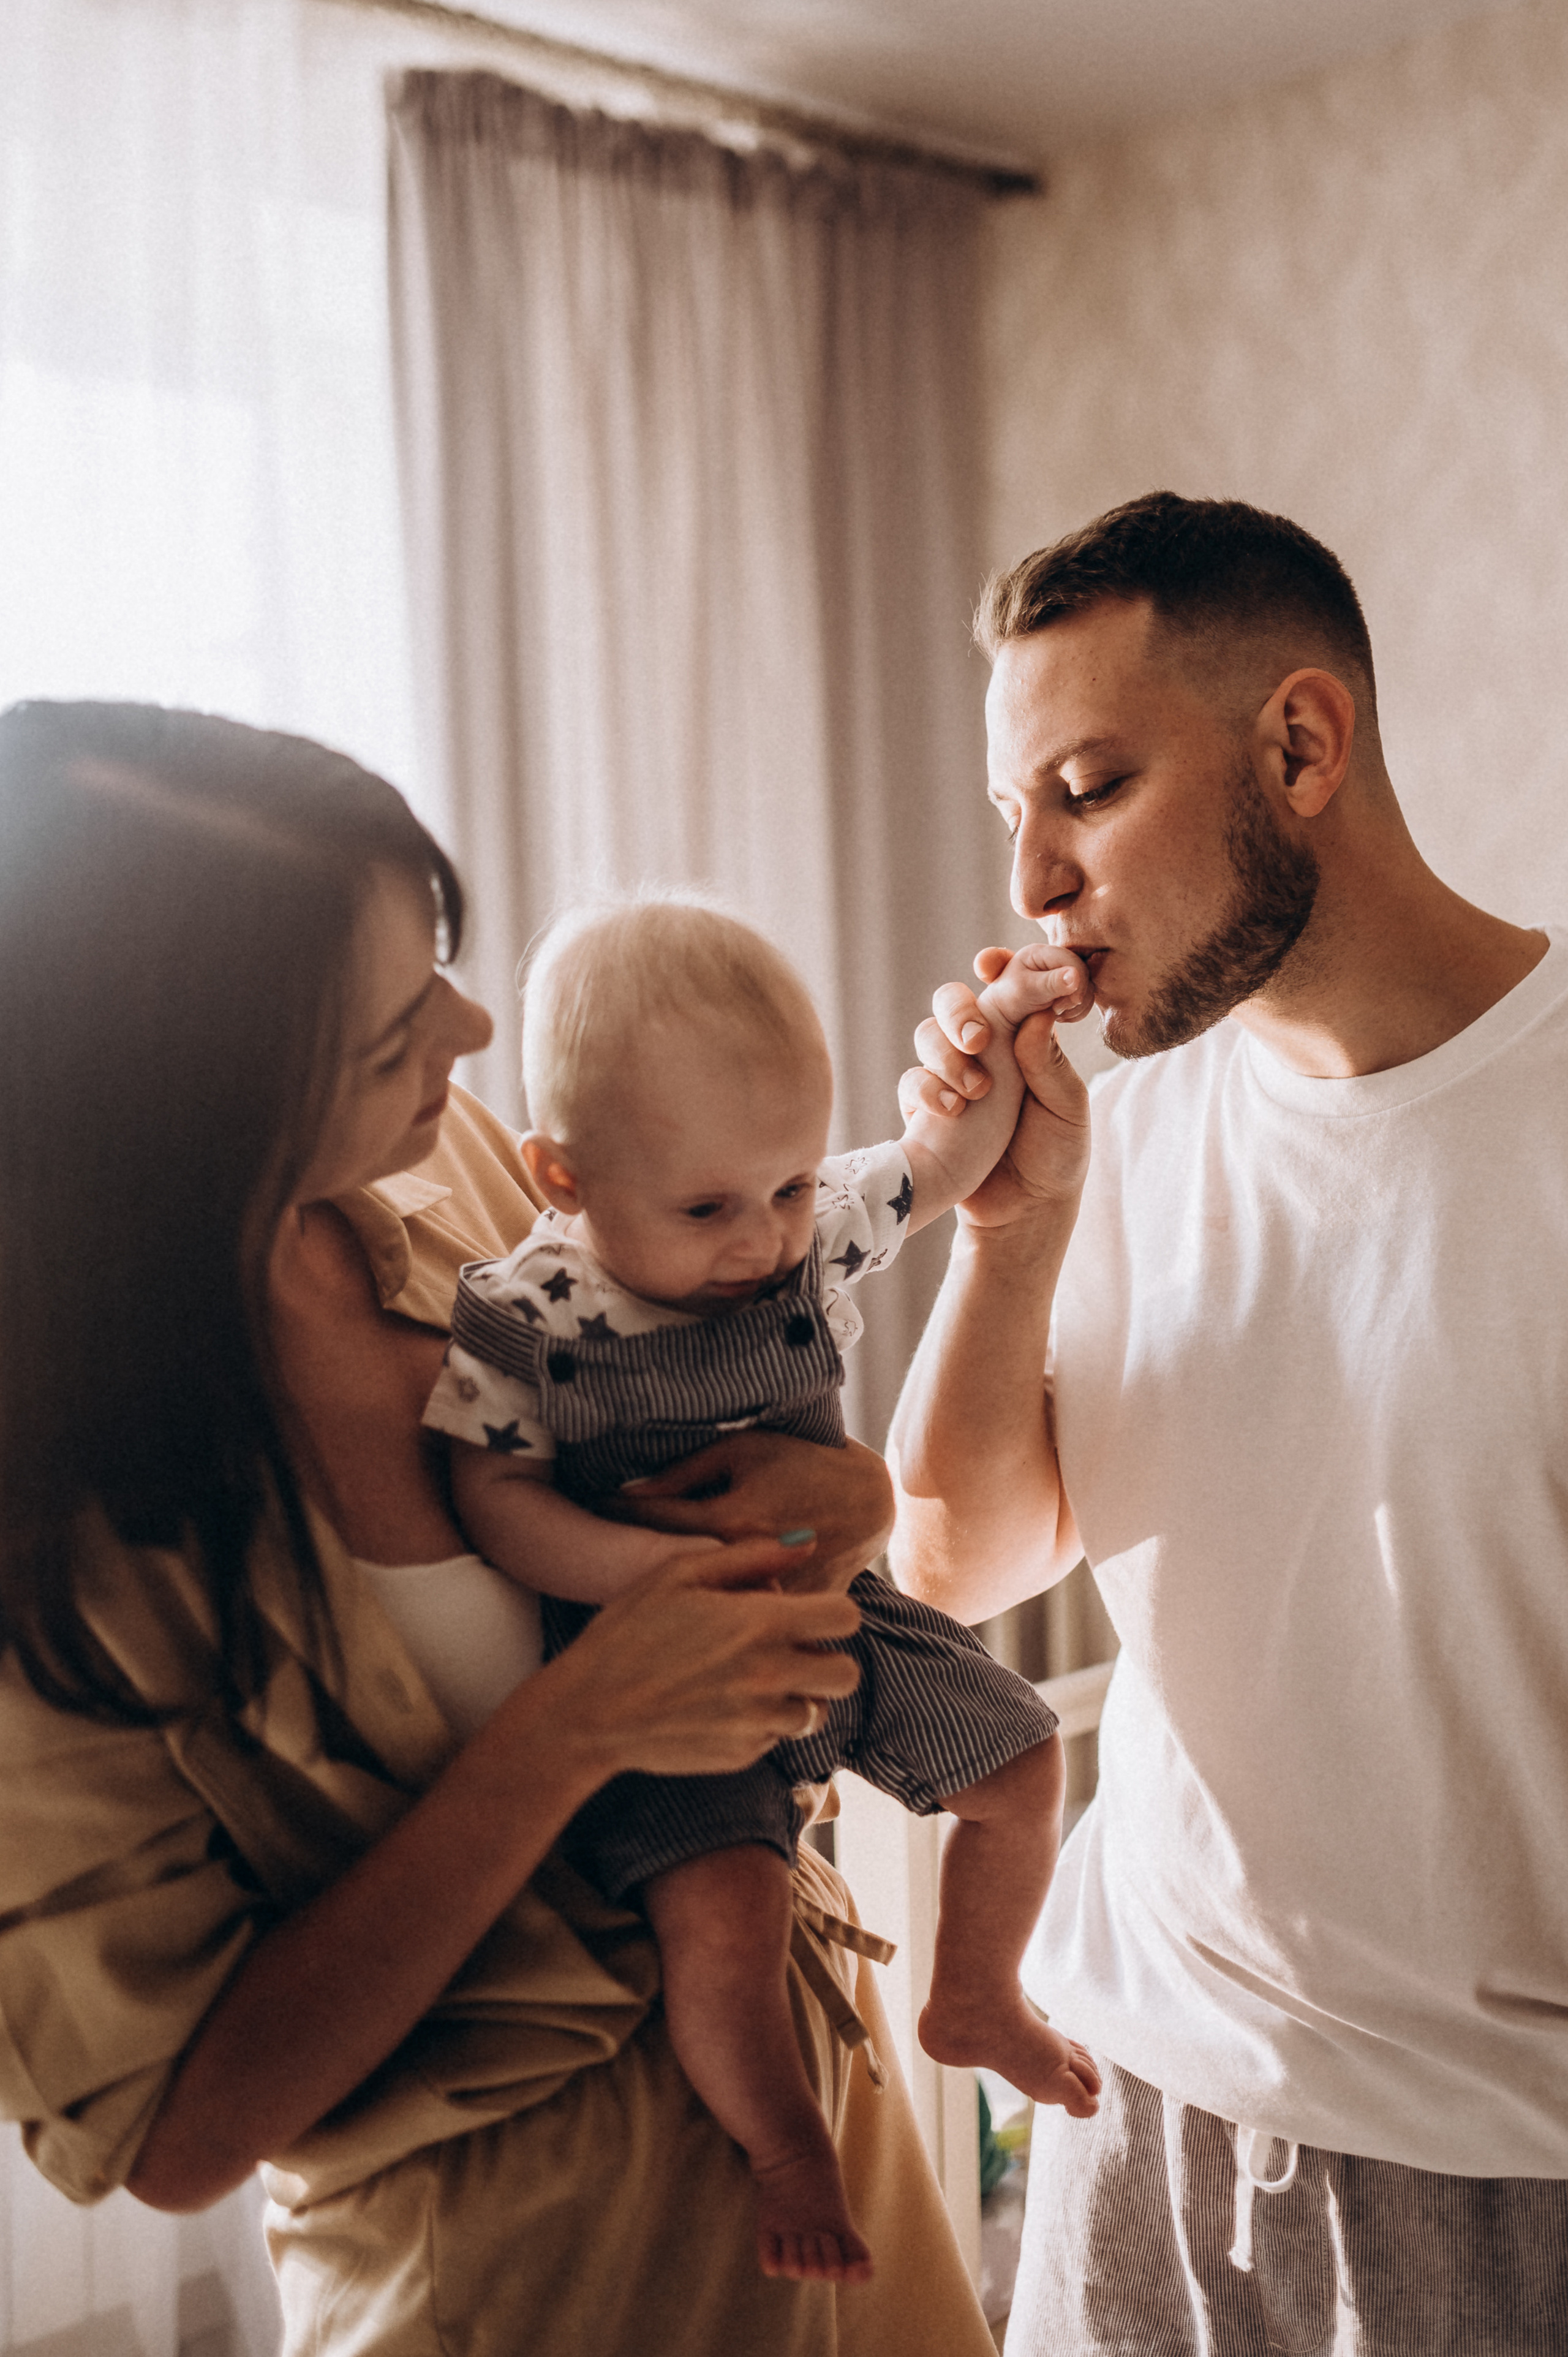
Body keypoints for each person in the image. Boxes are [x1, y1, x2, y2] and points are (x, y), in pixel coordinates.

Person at [0, 700, 1001, 2357]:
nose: (470, 1024)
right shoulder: (54, 1541)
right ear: (186, 1116)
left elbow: (723, 1400)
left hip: (822, 2143)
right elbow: (172, 2134)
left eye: (440, 965)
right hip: (522, 2272)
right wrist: (574, 1734)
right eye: (396, 1030)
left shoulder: (449, 1167)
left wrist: (844, 1494)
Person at [889, 493, 1568, 2355]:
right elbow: (954, 1559)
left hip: (1497, 2184)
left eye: (1087, 791)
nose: (1030, 883)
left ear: (1299, 743)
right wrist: (1009, 1229)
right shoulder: (1136, 1124)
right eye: (1012, 815)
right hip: (1133, 2114)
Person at [421, 895, 1100, 2282]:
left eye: (788, 1185)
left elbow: (937, 1161)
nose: (761, 1239)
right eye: (708, 1208)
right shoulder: (524, 1316)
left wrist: (1006, 1024)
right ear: (563, 1178)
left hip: (839, 1611)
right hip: (666, 1671)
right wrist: (645, 1566)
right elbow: (488, 1496)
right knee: (723, 1919)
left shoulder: (805, 1227)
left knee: (1023, 1762)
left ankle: (971, 1994)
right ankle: (788, 2144)